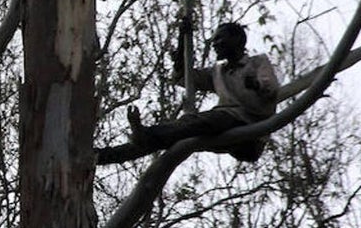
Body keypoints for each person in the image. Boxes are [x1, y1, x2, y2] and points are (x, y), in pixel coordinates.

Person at [99, 21, 279, 163]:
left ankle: (146, 134)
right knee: (174, 136)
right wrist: (182, 41)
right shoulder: (217, 72)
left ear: (237, 40)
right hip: (223, 129)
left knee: (194, 122)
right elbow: (183, 78)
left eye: (219, 39)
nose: (214, 44)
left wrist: (256, 85)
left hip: (249, 134)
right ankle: (104, 156)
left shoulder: (257, 63)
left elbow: (270, 88)